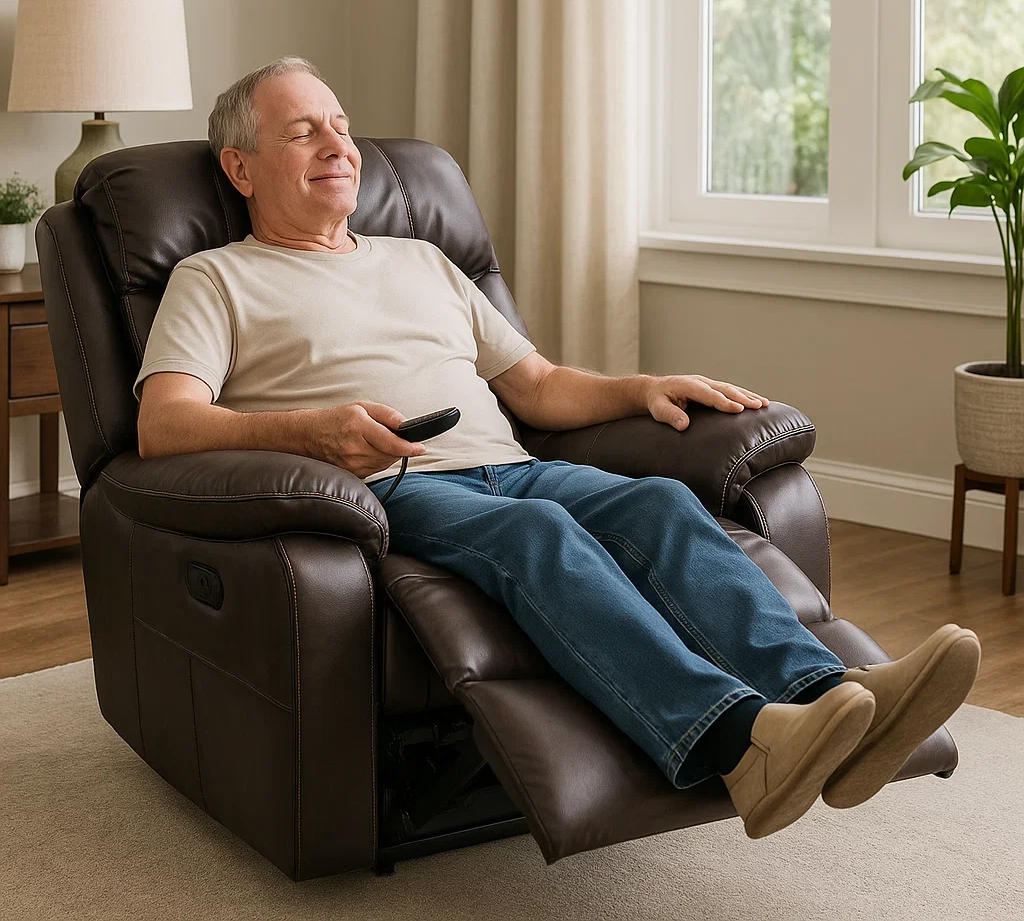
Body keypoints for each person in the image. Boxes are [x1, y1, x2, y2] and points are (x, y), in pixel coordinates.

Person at [134, 56, 981, 840]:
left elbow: (535, 385)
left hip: (521, 465)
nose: (339, 146)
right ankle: (741, 746)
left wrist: (641, 388)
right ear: (240, 168)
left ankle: (832, 695)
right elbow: (164, 423)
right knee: (537, 536)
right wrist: (308, 432)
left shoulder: (422, 258)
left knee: (659, 501)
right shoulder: (216, 278)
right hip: (389, 488)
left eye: (343, 125)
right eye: (303, 131)